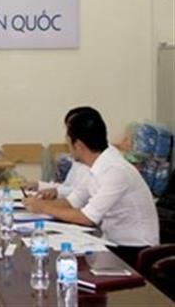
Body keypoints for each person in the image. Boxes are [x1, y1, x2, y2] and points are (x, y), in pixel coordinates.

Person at [24, 107, 159, 267]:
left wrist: (43, 208)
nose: (67, 146)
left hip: (136, 249)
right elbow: (73, 201)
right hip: (112, 242)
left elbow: (87, 218)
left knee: (68, 265)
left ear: (78, 145)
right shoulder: (93, 165)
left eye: (68, 141)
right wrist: (36, 204)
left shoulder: (115, 170)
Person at [25, 107, 95, 200]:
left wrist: (55, 193)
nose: (67, 137)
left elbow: (82, 195)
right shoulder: (79, 159)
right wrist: (39, 185)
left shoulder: (100, 162)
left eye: (69, 131)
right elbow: (67, 187)